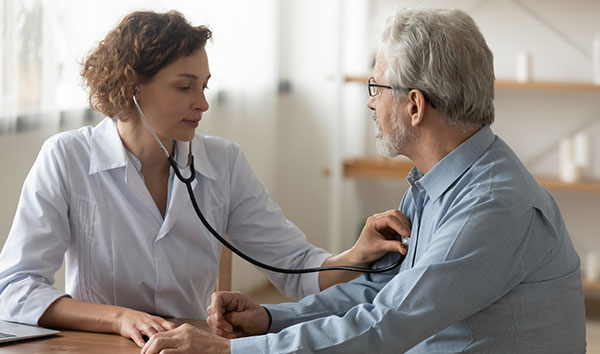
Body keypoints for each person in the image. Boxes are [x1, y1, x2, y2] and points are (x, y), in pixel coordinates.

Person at [140, 7, 587, 354]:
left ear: (414, 105)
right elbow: (383, 290)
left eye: (376, 87)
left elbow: (389, 322)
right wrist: (273, 320)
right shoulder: (440, 182)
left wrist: (230, 349)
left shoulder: (492, 204)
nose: (371, 103)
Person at [0, 10, 410, 348]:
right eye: (185, 87)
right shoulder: (67, 158)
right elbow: (15, 288)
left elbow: (297, 268)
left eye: (205, 86)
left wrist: (356, 256)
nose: (203, 103)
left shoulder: (224, 162)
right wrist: (118, 318)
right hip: (94, 346)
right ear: (132, 87)